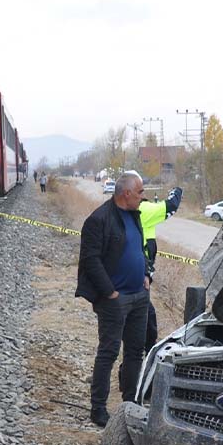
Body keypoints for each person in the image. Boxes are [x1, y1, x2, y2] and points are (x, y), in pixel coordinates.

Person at [75, 172, 150, 427]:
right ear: (126, 193)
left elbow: (139, 249)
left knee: (135, 353)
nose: (143, 196)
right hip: (114, 301)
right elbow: (90, 260)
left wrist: (146, 274)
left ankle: (130, 403)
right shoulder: (98, 219)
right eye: (140, 192)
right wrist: (110, 292)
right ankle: (98, 409)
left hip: (139, 297)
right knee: (108, 353)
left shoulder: (134, 215)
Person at [137, 187, 184, 350]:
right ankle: (144, 357)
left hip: (135, 271)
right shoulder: (143, 208)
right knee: (145, 321)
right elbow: (171, 205)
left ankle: (141, 355)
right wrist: (177, 191)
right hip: (139, 274)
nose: (145, 194)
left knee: (146, 318)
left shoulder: (123, 209)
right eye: (141, 191)